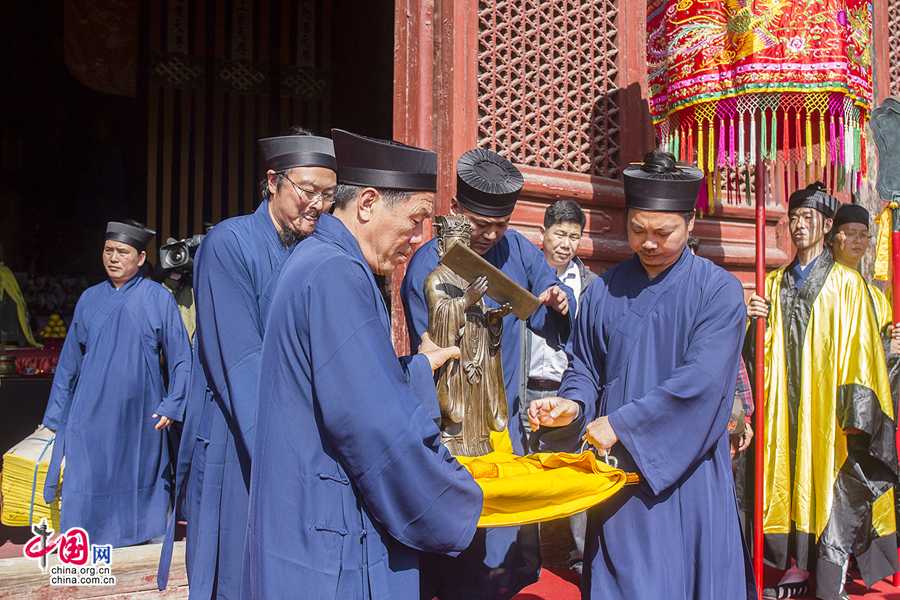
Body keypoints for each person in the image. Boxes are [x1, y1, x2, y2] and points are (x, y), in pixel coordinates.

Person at [246, 129, 483, 599]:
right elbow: (371, 422)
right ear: (369, 203)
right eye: (416, 220)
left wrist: (415, 368)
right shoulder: (335, 272)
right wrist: (455, 494)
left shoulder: (319, 259)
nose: (418, 239)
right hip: (323, 528)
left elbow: (348, 382)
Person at [529, 150, 755, 600]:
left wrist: (623, 425)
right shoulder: (604, 289)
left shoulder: (718, 292)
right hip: (617, 480)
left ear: (690, 224)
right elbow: (586, 368)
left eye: (663, 232)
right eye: (637, 229)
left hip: (687, 476)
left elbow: (702, 383)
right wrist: (571, 405)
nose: (648, 242)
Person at [160, 129, 337, 597]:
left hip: (299, 437)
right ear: (273, 181)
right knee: (235, 573)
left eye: (328, 194)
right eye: (307, 190)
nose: (317, 204)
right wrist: (284, 461)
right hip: (238, 436)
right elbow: (243, 361)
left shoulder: (316, 249)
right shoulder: (229, 242)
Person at [401, 148, 574, 599]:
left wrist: (557, 303)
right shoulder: (427, 264)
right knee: (460, 549)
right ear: (456, 209)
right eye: (480, 225)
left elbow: (546, 320)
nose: (491, 235)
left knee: (504, 552)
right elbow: (432, 353)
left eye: (500, 224)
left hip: (503, 418)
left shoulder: (518, 250)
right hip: (453, 422)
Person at [745, 184, 898, 600]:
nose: (797, 225)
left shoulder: (848, 285)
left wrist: (858, 416)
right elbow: (757, 360)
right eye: (792, 218)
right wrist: (753, 324)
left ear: (826, 226)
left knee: (831, 482)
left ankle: (831, 578)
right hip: (784, 412)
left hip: (829, 411)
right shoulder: (773, 285)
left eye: (807, 218)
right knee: (788, 480)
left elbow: (864, 354)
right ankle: (795, 568)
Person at [41, 221, 192, 547]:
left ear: (139, 258)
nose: (113, 257)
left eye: (122, 252)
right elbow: (68, 363)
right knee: (87, 483)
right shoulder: (89, 298)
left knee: (141, 483)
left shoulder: (158, 298)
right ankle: (83, 565)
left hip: (139, 416)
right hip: (90, 415)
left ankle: (140, 561)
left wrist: (173, 403)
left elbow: (182, 358)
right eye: (108, 250)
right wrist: (53, 419)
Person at [519, 199, 596, 576]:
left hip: (568, 394)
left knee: (575, 473)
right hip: (525, 388)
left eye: (574, 236)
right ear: (543, 234)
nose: (566, 243)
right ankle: (525, 563)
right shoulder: (523, 275)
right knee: (523, 475)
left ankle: (581, 560)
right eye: (559, 234)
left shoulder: (592, 285)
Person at [425, 215, 510, 457]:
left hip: (476, 357)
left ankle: (478, 440)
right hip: (454, 362)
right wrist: (464, 301)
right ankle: (454, 439)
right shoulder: (435, 279)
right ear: (442, 247)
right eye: (454, 247)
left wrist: (493, 318)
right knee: (457, 405)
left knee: (477, 400)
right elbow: (439, 319)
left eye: (465, 248)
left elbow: (479, 317)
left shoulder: (468, 278)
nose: (460, 254)